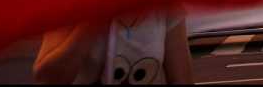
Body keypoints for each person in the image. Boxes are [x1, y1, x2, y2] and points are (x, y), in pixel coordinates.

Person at [32, 11, 191, 84]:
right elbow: (47, 79)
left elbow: (182, 80)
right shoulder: (74, 2)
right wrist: (96, 20)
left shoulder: (165, 6)